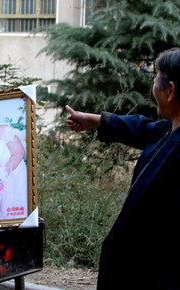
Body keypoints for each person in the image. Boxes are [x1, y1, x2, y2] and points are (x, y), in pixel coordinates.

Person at [65, 47, 180, 289]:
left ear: (170, 91)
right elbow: (141, 128)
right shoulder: (168, 131)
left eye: (155, 78)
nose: (153, 87)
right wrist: (94, 120)